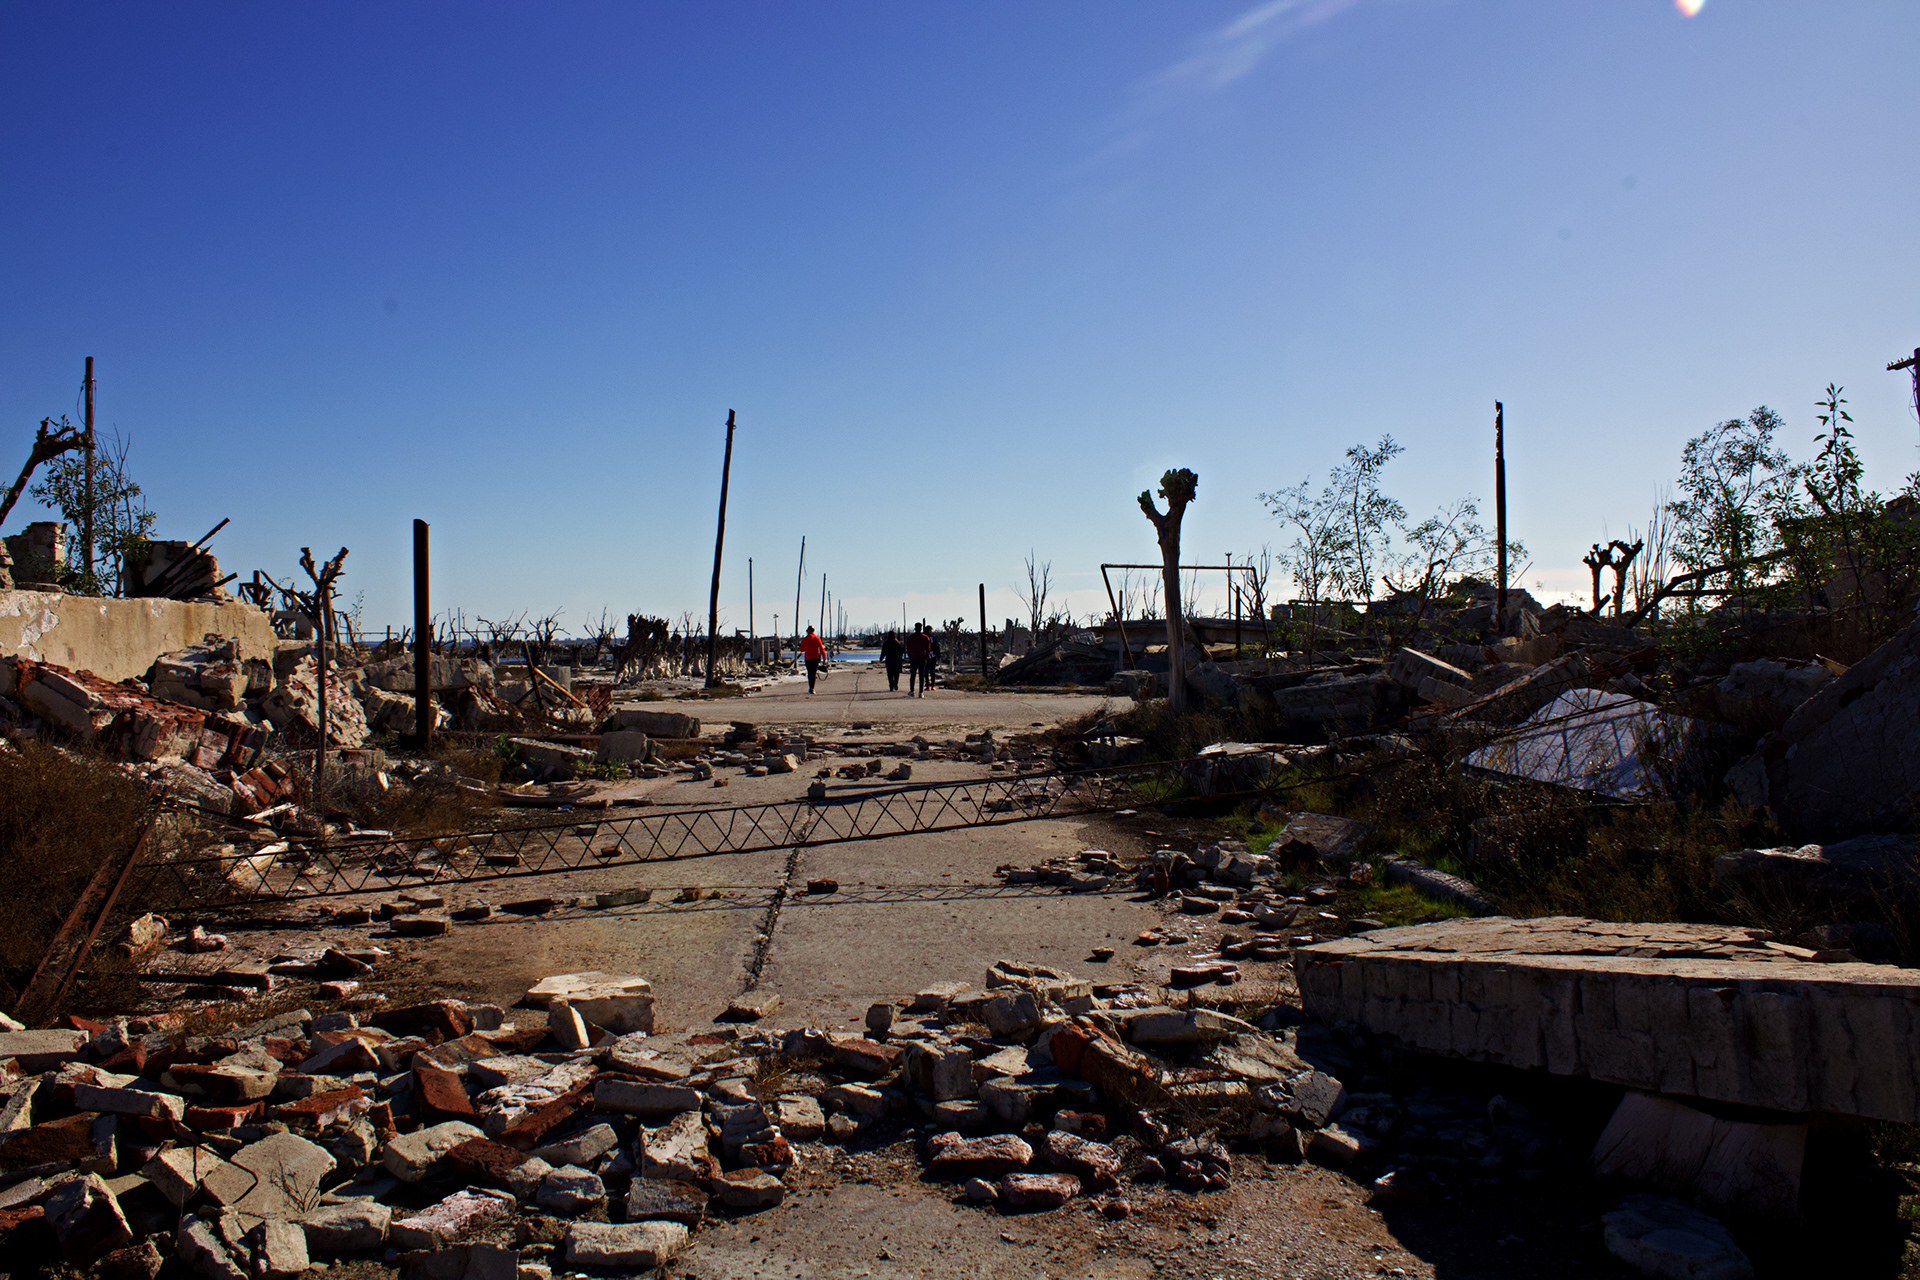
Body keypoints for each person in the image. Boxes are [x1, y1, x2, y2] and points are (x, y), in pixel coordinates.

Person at [904, 623, 932, 697]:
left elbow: (908, 648)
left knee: (913, 675)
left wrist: (910, 655)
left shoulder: (911, 638)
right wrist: (926, 656)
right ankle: (921, 692)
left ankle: (912, 691)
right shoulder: (925, 637)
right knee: (921, 675)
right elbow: (928, 648)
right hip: (922, 658)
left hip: (913, 658)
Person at [800, 625, 826, 694]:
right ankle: (812, 688)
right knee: (813, 673)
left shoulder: (805, 639)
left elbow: (801, 649)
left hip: (808, 659)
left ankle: (810, 687)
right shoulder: (817, 639)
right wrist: (824, 659)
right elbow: (822, 649)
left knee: (809, 673)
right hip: (815, 658)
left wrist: (807, 648)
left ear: (808, 631)